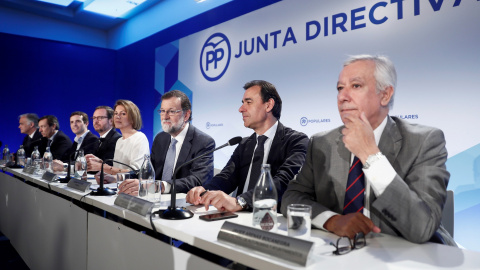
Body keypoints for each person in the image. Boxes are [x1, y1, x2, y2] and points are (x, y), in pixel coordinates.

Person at [281, 55, 455, 246]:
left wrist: (370, 156)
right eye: (340, 88)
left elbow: (422, 227)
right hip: (340, 253)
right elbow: (291, 198)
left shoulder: (425, 141)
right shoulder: (322, 142)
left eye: (356, 86)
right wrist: (331, 220)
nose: (342, 97)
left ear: (385, 95)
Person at [186, 80, 309, 212]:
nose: (241, 109)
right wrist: (204, 191)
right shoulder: (244, 144)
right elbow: (226, 177)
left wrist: (240, 201)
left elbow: (284, 181)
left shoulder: (296, 141)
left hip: (270, 220)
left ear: (268, 105)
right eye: (242, 103)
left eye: (248, 102)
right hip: (238, 218)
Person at [119, 90, 215, 195]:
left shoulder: (203, 142)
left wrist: (159, 186)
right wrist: (120, 177)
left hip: (184, 202)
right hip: (155, 199)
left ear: (186, 115)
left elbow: (197, 180)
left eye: (171, 111)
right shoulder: (160, 138)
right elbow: (149, 170)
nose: (165, 117)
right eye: (162, 111)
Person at [86, 100, 150, 182]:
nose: (117, 117)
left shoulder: (139, 138)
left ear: (133, 118)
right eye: (116, 113)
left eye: (123, 114)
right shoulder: (119, 140)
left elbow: (135, 173)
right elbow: (119, 168)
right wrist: (101, 162)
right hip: (119, 186)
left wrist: (102, 167)